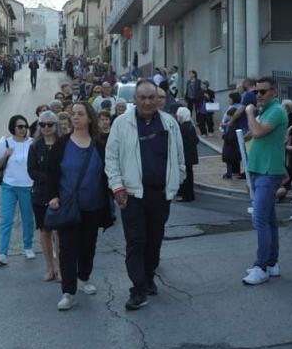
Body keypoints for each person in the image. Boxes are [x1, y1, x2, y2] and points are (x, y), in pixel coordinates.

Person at [105, 79, 186, 310]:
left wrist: (177, 181)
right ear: (135, 100)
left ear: (158, 99)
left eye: (152, 97)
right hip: (132, 196)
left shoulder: (169, 123)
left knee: (154, 240)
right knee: (135, 242)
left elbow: (180, 159)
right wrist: (117, 187)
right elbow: (111, 159)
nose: (148, 102)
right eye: (143, 98)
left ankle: (149, 276)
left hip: (160, 196)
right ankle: (138, 289)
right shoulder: (121, 124)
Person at [46, 102, 114, 310]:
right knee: (67, 249)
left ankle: (83, 278)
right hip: (69, 206)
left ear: (89, 118)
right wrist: (53, 196)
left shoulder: (98, 146)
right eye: (73, 114)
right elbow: (51, 173)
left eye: (80, 114)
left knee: (88, 247)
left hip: (93, 206)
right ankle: (69, 291)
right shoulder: (62, 144)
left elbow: (106, 174)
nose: (75, 117)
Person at [241, 77, 289, 286]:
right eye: (257, 92)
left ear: (274, 92)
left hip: (269, 172)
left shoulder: (277, 110)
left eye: (263, 91)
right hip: (260, 170)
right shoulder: (266, 110)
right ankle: (271, 263)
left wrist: (250, 113)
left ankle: (262, 266)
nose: (258, 95)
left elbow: (259, 132)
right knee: (268, 220)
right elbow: (255, 133)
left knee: (259, 219)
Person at [0, 115, 35, 265]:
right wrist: (5, 154)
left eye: (25, 126)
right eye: (20, 127)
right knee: (6, 219)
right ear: (13, 128)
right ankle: (2, 253)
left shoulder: (32, 143)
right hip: (9, 186)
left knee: (28, 219)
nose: (23, 129)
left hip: (28, 186)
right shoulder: (6, 142)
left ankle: (28, 246)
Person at [28, 110, 61, 282]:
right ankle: (49, 267)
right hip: (40, 194)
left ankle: (60, 266)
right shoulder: (35, 146)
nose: (46, 127)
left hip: (59, 194)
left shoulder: (63, 144)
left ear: (56, 126)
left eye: (50, 124)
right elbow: (31, 170)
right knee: (45, 231)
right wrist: (48, 179)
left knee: (59, 232)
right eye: (43, 124)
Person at [174, 107, 199, 202]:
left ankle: (186, 195)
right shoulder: (190, 126)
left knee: (185, 176)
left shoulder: (183, 127)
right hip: (191, 155)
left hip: (185, 156)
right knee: (189, 175)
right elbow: (196, 140)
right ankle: (189, 194)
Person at [221, 92, 243, 179]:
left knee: (230, 160)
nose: (228, 100)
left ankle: (230, 173)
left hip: (230, 145)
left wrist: (224, 135)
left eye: (230, 98)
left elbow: (229, 136)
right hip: (233, 144)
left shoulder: (235, 109)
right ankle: (235, 172)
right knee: (235, 158)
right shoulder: (240, 106)